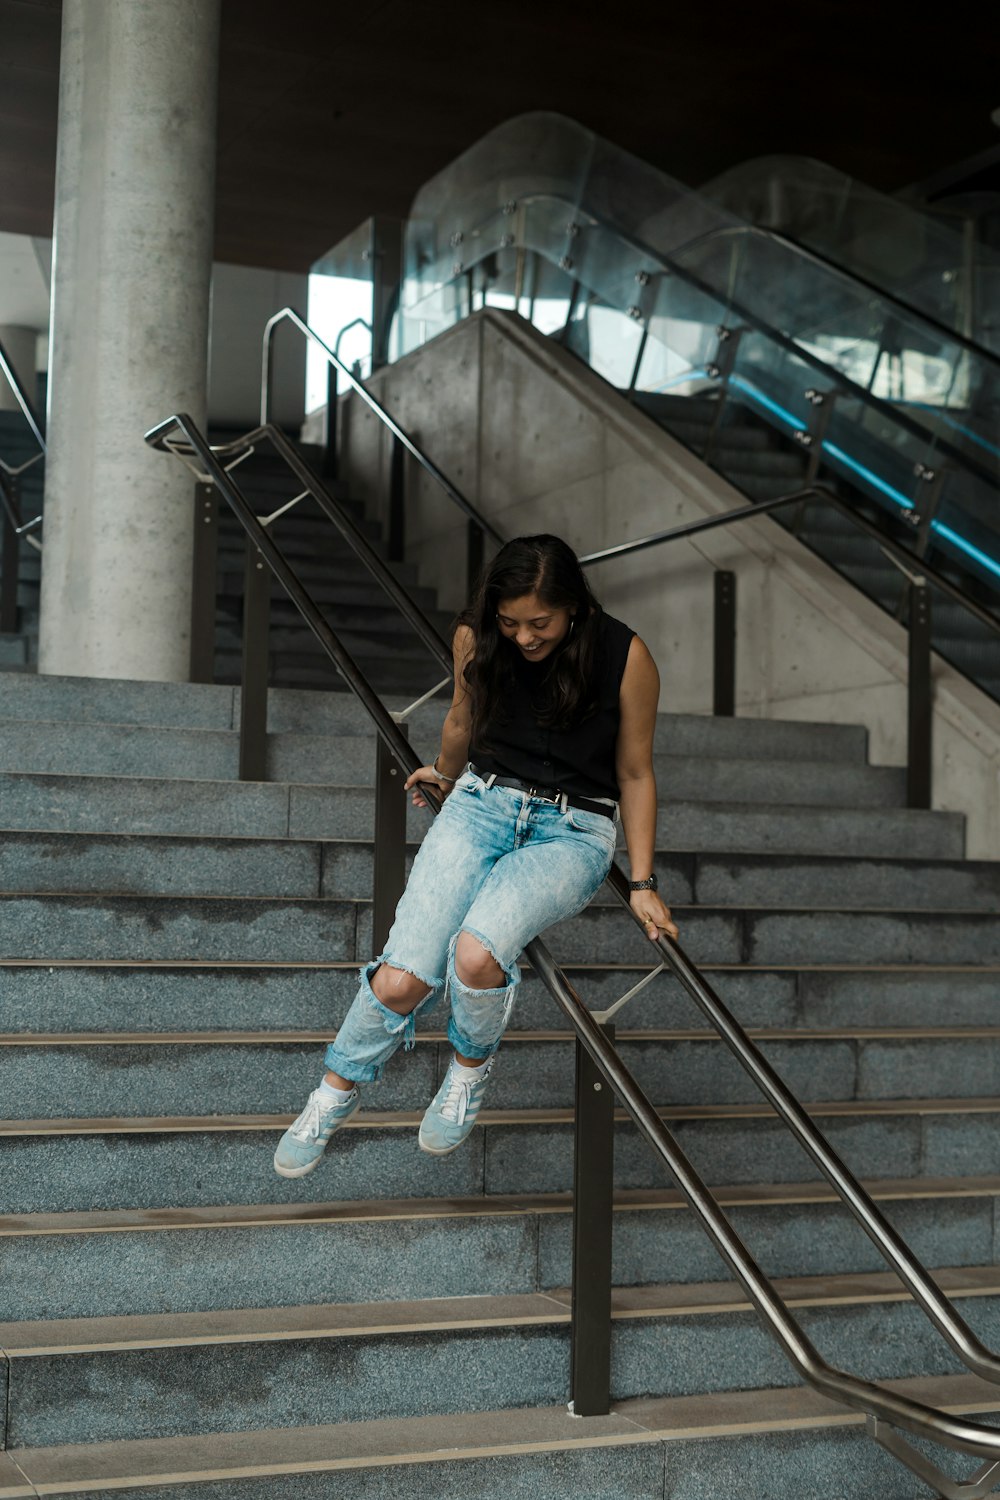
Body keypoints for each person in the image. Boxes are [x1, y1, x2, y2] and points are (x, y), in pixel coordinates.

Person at [274, 533, 677, 1178]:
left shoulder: (626, 655)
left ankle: (467, 1072)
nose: (524, 637)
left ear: (572, 606)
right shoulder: (476, 636)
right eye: (510, 621)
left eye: (540, 622)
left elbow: (634, 772)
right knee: (400, 979)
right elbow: (463, 715)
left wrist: (642, 881)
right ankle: (331, 1094)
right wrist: (441, 769)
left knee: (476, 955)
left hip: (573, 831)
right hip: (480, 804)